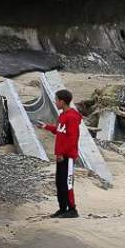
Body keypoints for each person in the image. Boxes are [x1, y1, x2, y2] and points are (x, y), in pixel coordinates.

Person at [36, 89, 82, 219]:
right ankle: (62, 209)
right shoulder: (63, 115)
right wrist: (46, 126)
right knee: (59, 183)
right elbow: (60, 131)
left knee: (67, 183)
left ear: (62, 101)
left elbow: (73, 138)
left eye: (56, 100)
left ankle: (72, 210)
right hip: (61, 156)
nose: (55, 102)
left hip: (67, 156)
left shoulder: (72, 117)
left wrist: (62, 153)